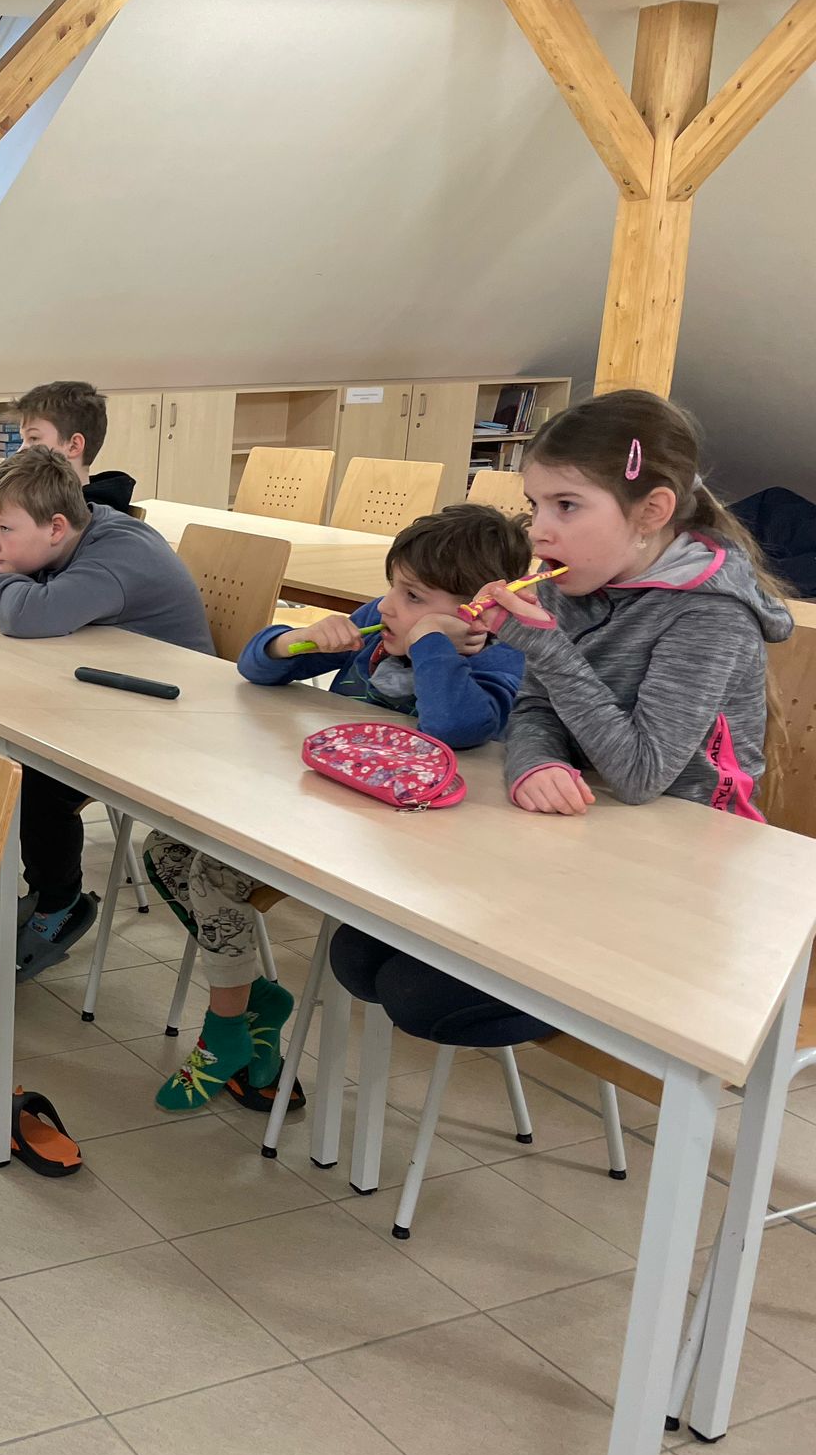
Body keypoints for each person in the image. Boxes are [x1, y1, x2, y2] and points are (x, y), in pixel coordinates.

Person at [333, 389, 794, 1052]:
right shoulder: (568, 581)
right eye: (535, 506)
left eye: (567, 506)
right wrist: (536, 762)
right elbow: (535, 706)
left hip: (684, 874)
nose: (538, 532)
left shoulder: (709, 616)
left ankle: (626, 1003)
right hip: (581, 839)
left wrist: (547, 648)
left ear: (652, 512)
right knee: (358, 953)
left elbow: (641, 775)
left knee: (418, 994)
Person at [143, 503, 530, 1111]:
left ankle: (224, 1030)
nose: (389, 606)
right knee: (165, 848)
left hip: (406, 844)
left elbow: (456, 727)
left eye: (413, 596)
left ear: (481, 610)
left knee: (213, 874)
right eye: (392, 586)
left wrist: (433, 645)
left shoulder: (497, 654)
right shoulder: (380, 620)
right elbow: (254, 668)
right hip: (330, 812)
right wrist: (293, 641)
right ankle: (256, 999)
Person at [0, 445, 210, 979]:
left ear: (56, 528)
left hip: (170, 718)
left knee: (29, 772)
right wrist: (10, 588)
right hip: (94, 692)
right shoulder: (45, 536)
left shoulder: (118, 553)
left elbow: (27, 616)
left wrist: (12, 594)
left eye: (3, 531)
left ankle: (60, 903)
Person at [0, 380, 137, 553]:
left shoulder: (89, 521)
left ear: (74, 446)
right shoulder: (40, 502)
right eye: (23, 439)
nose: (21, 450)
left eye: (34, 438)